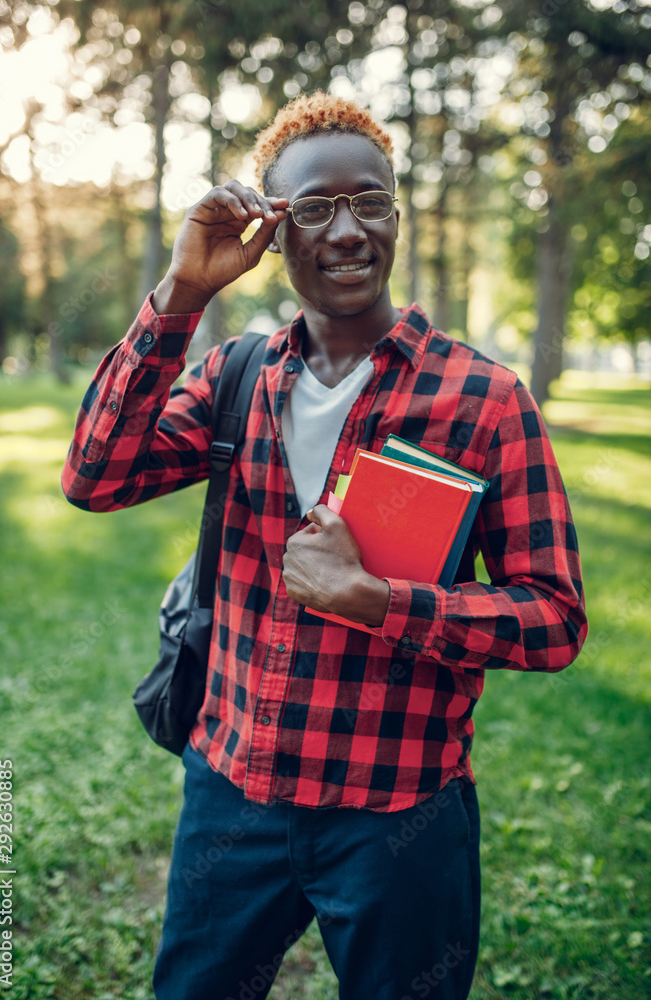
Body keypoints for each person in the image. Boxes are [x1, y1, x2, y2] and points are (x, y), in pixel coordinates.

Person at [62, 92, 587, 1000]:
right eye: (313, 209)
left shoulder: (485, 400)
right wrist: (183, 291)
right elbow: (95, 475)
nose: (347, 231)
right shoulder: (236, 377)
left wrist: (381, 602)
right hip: (233, 795)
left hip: (399, 816)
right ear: (273, 229)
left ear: (396, 212)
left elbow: (554, 619)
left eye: (370, 201)